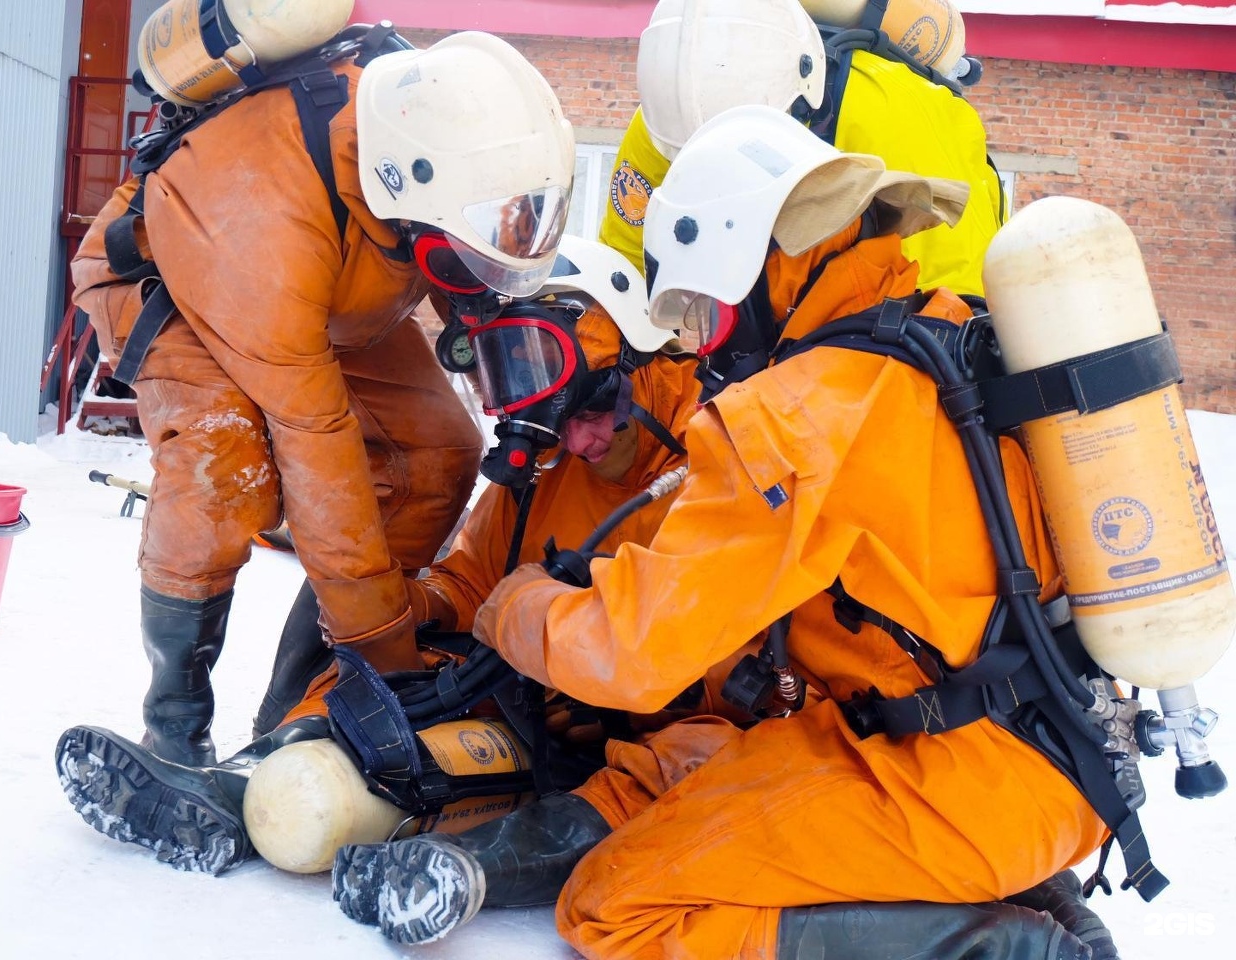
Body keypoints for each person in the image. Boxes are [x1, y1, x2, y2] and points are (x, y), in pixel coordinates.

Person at [332, 107, 1121, 959]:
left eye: (706, 310)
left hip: (949, 772)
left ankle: (1001, 950)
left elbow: (636, 652)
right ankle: (1010, 891)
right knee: (698, 782)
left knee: (615, 905)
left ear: (749, 267)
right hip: (1041, 745)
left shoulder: (794, 415)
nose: (705, 345)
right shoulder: (944, 337)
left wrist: (516, 608)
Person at [56, 235, 761, 878]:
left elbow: (738, 649)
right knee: (399, 662)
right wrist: (403, 609)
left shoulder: (723, 463)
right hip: (541, 705)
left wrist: (596, 668)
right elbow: (472, 579)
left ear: (636, 369)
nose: (579, 442)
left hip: (673, 721)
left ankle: (471, 869)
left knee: (698, 760)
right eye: (560, 422)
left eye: (593, 413)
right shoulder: (547, 469)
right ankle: (236, 786)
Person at [68, 31, 575, 767]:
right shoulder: (273, 222)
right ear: (409, 192)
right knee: (226, 459)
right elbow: (318, 445)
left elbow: (482, 304)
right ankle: (174, 728)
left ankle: (302, 704)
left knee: (436, 452)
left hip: (341, 279)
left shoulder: (432, 160)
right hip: (184, 278)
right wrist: (390, 655)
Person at [600, 0, 1003, 302]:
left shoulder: (893, 111)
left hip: (861, 366)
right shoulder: (668, 112)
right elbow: (625, 272)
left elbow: (948, 308)